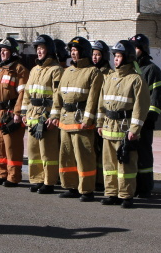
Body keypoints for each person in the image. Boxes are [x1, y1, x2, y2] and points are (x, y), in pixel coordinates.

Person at [96, 40, 150, 208]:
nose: (116, 60)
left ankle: (126, 195)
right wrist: (99, 123)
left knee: (126, 164)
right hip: (108, 129)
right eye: (115, 56)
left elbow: (141, 107)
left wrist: (135, 129)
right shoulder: (109, 78)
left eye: (119, 56)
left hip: (124, 130)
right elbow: (101, 103)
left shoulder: (136, 79)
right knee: (109, 165)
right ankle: (111, 193)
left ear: (128, 58)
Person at [52, 36, 103, 200]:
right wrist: (55, 115)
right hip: (65, 121)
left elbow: (94, 99)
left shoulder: (93, 72)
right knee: (66, 156)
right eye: (72, 51)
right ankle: (71, 186)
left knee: (84, 157)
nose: (73, 54)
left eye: (76, 51)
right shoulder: (67, 71)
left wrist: (88, 120)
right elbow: (58, 96)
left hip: (81, 122)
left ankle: (87, 190)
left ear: (84, 52)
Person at [0, 38, 30, 187]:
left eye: (5, 51)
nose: (2, 53)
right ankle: (1, 174)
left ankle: (13, 177)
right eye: (1, 51)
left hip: (11, 115)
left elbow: (23, 93)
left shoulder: (19, 70)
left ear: (13, 52)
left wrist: (18, 113)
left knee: (12, 148)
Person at [22, 35, 63, 193]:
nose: (39, 52)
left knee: (48, 152)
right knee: (34, 152)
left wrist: (53, 117)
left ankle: (49, 182)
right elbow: (27, 93)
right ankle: (37, 179)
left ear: (49, 50)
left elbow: (57, 96)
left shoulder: (56, 70)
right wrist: (24, 112)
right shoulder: (34, 70)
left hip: (46, 118)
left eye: (42, 49)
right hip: (32, 116)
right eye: (37, 49)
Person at [130, 34, 161, 198]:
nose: (134, 51)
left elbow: (157, 97)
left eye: (136, 47)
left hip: (144, 121)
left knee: (143, 154)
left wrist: (150, 118)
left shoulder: (151, 70)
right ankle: (132, 185)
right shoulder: (128, 68)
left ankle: (144, 187)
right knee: (130, 154)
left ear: (143, 50)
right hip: (129, 121)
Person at [91, 40, 114, 191]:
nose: (95, 57)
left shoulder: (110, 74)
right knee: (91, 149)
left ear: (104, 56)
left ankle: (101, 180)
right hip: (88, 116)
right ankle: (92, 178)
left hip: (103, 117)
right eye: (93, 54)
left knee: (102, 150)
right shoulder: (89, 71)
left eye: (98, 54)